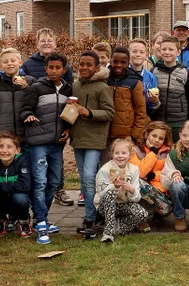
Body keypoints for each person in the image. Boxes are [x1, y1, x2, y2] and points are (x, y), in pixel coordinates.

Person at [17, 28, 74, 208]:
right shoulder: (28, 64)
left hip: (56, 121)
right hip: (39, 122)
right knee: (39, 171)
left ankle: (59, 190)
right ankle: (38, 208)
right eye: (43, 40)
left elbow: (69, 89)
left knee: (56, 165)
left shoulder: (65, 66)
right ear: (37, 44)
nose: (47, 43)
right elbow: (25, 92)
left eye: (50, 40)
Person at [20, 52, 72, 244]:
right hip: (38, 143)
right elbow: (25, 109)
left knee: (53, 182)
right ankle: (41, 221)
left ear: (64, 70)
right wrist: (28, 116)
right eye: (50, 67)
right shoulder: (36, 88)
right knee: (40, 182)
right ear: (45, 69)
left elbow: (70, 115)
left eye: (58, 68)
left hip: (57, 144)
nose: (54, 71)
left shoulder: (68, 90)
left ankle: (40, 217)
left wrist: (68, 129)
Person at [69, 50, 115, 239]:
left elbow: (109, 113)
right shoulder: (75, 85)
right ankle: (92, 216)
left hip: (95, 139)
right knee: (84, 178)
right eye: (81, 64)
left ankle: (90, 218)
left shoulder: (102, 87)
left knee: (89, 177)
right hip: (78, 138)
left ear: (97, 68)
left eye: (89, 65)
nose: (84, 68)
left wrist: (89, 113)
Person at [95, 137, 146, 243]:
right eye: (117, 153)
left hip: (123, 204)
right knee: (110, 193)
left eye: (124, 153)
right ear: (112, 154)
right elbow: (101, 192)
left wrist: (132, 190)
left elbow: (136, 198)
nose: (120, 156)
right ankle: (108, 234)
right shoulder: (105, 169)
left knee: (142, 213)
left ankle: (117, 227)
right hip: (105, 206)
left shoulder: (134, 169)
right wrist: (114, 187)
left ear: (130, 155)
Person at [150, 34, 189, 140]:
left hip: (178, 121)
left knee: (176, 150)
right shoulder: (153, 72)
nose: (167, 52)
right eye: (164, 49)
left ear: (178, 52)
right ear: (160, 51)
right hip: (158, 120)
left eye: (171, 49)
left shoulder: (185, 73)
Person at [130, 121, 174, 231]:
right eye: (154, 135)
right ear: (146, 134)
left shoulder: (169, 152)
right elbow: (139, 173)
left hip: (160, 193)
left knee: (164, 206)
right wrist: (153, 153)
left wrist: (153, 175)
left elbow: (168, 172)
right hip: (141, 190)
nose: (156, 140)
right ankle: (140, 218)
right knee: (138, 182)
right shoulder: (135, 150)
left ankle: (158, 214)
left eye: (161, 138)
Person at [105, 46, 147, 156]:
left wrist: (134, 136)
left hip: (124, 135)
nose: (119, 65)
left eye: (123, 62)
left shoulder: (134, 82)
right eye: (115, 61)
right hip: (104, 132)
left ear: (128, 63)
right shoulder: (104, 78)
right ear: (111, 61)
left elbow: (141, 111)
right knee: (105, 166)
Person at [128, 38, 159, 108]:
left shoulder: (151, 77)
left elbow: (153, 106)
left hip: (144, 116)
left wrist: (154, 102)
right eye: (134, 51)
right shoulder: (123, 75)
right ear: (128, 54)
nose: (138, 54)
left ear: (146, 55)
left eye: (141, 52)